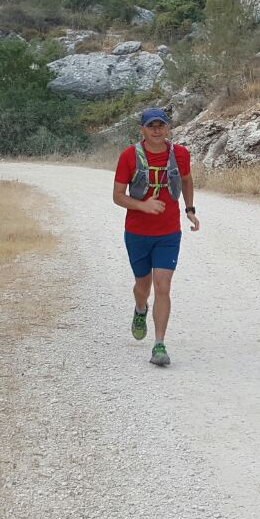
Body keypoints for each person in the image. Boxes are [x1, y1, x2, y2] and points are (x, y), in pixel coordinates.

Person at [113, 107, 200, 367]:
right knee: (143, 286)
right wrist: (143, 205)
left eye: (161, 125)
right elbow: (118, 196)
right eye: (151, 126)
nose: (156, 130)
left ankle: (159, 344)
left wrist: (190, 209)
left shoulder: (180, 154)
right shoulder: (129, 156)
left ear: (168, 127)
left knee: (163, 286)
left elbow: (187, 180)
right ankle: (140, 309)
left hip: (168, 233)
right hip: (137, 232)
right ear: (142, 129)